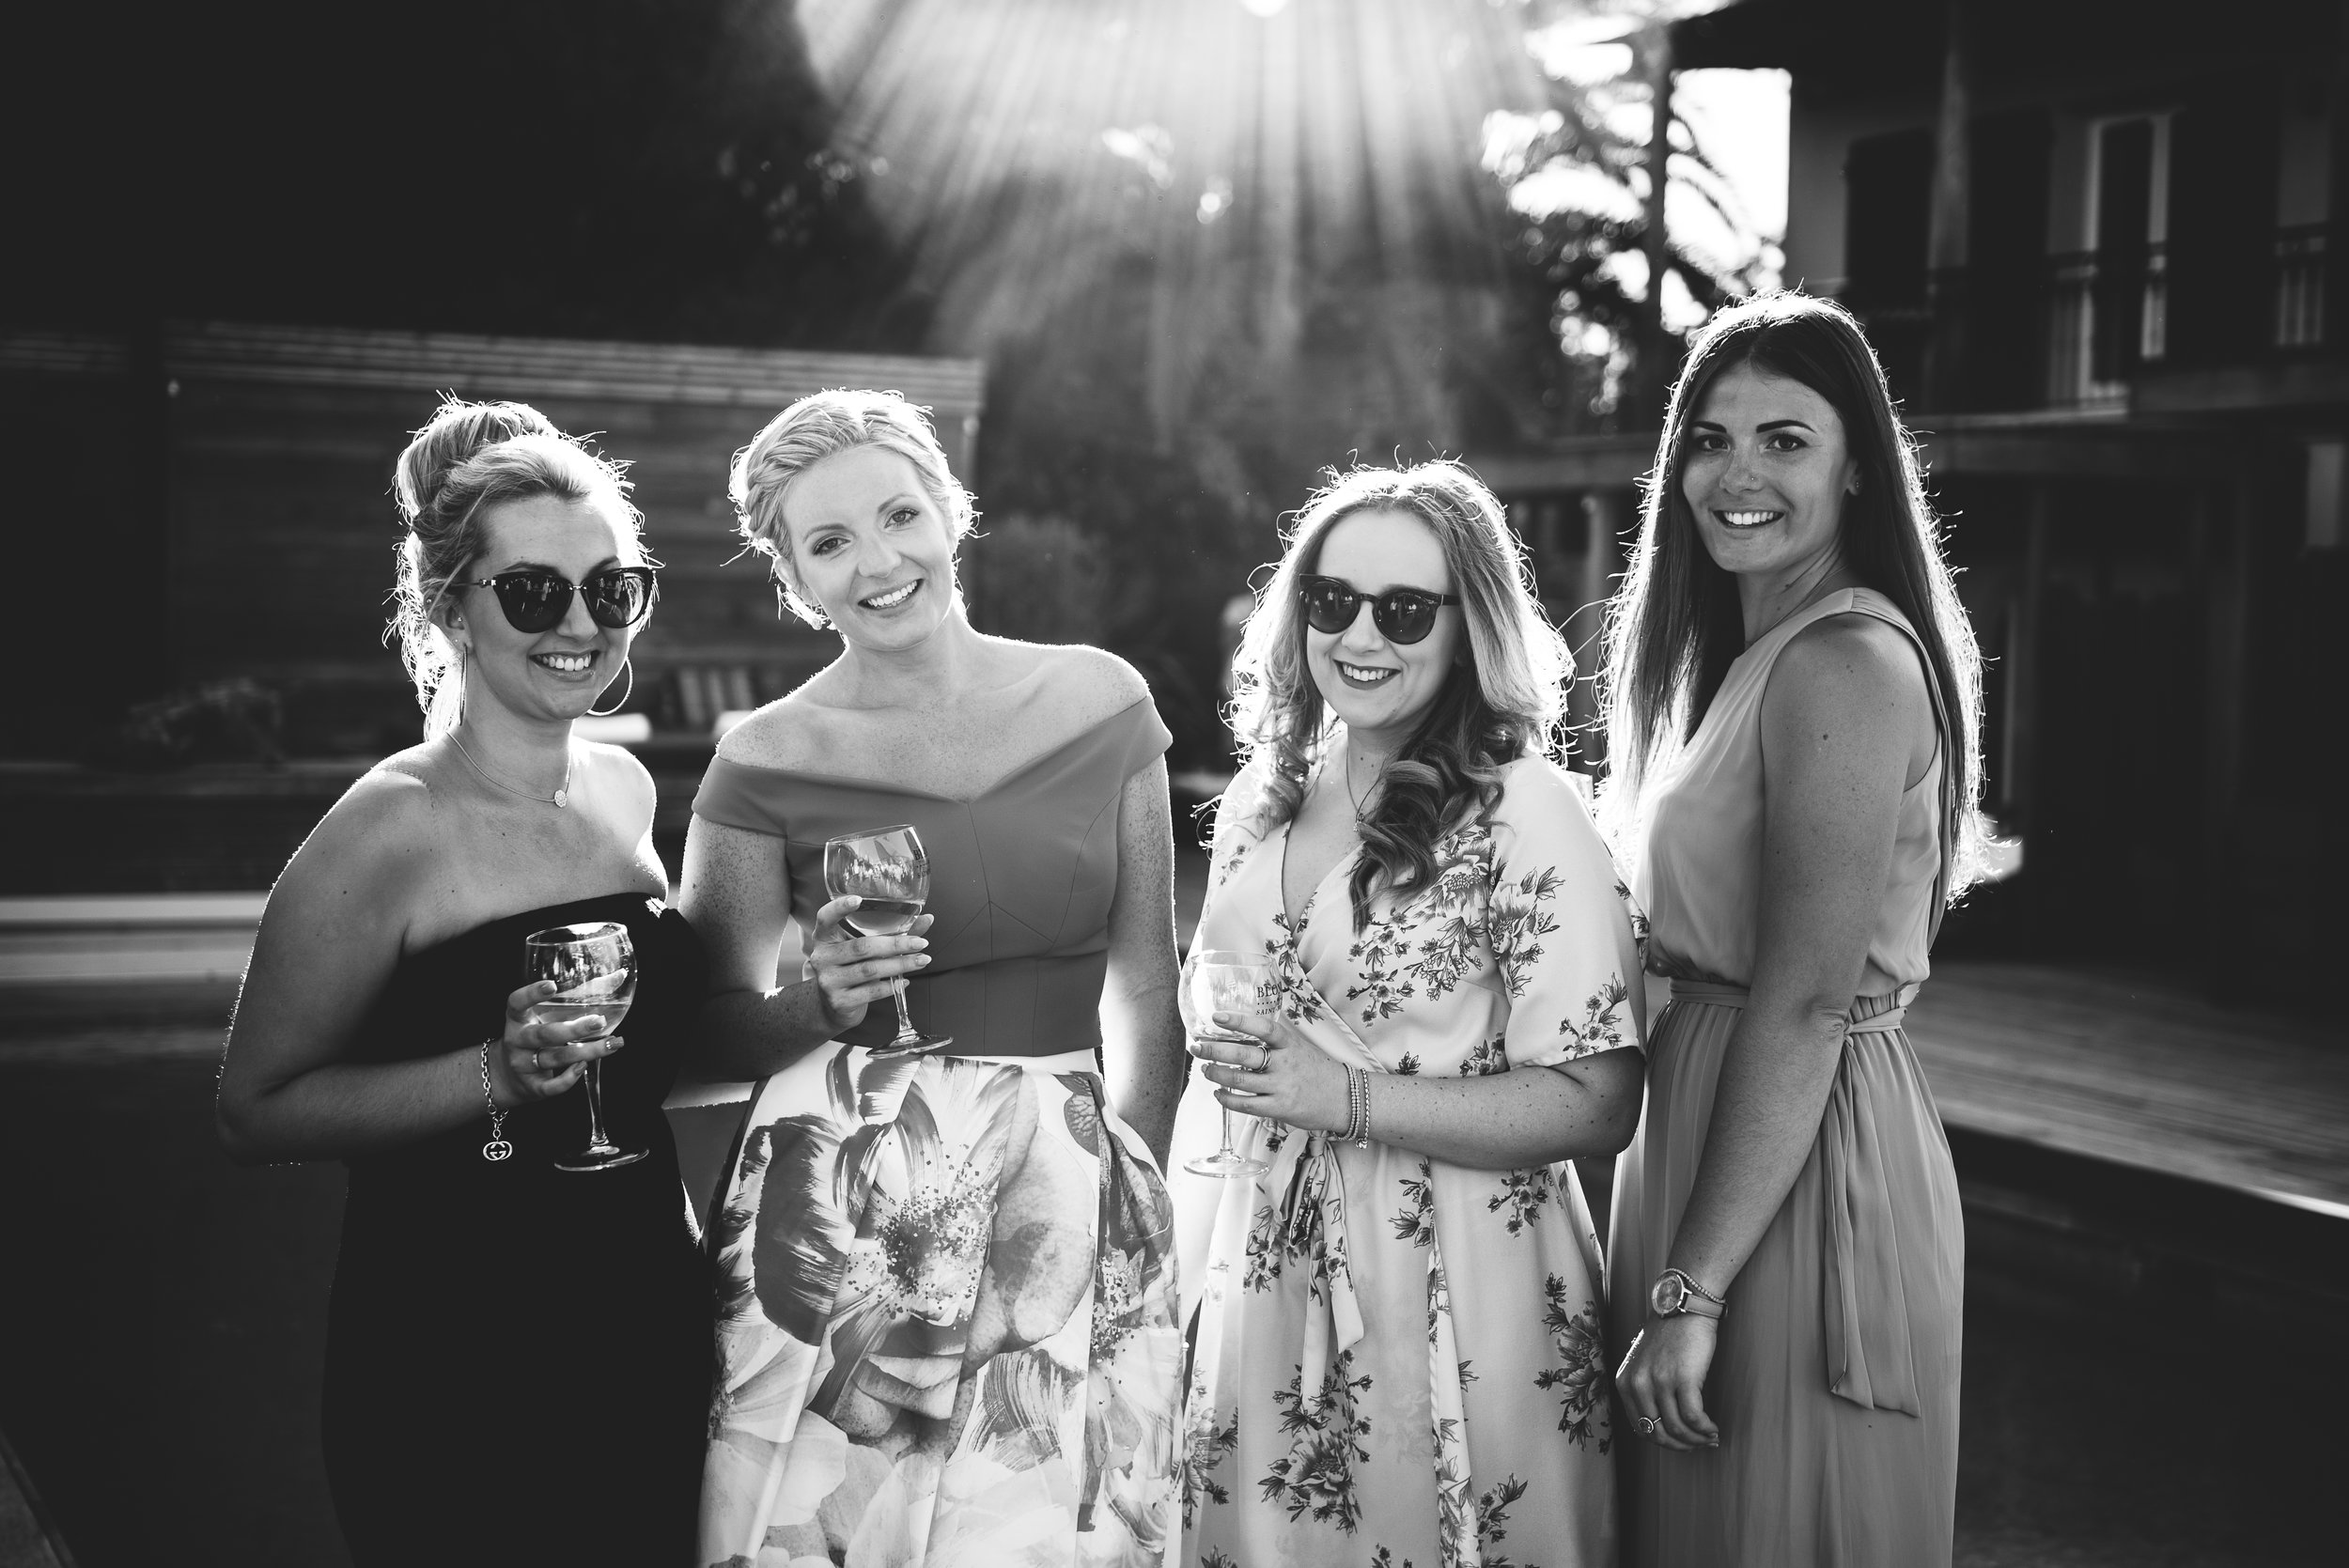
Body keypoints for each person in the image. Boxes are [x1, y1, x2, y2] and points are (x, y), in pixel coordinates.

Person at [685, 389, 1189, 1568]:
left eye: (899, 513)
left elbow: (1148, 989)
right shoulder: (761, 759)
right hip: (851, 1210)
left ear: (952, 512)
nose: (878, 562)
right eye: (828, 543)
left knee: (1048, 1534)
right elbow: (705, 1031)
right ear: (794, 579)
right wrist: (821, 1002)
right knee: (836, 1536)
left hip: (1061, 1197)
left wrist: (1136, 1182)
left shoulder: (1100, 699)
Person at [214, 398, 711, 1564]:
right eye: (534, 591)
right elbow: (253, 1107)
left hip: (642, 1326)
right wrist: (494, 1072)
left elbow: (650, 1065)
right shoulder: (391, 828)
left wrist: (821, 1007)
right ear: (453, 610)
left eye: (611, 587)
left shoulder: (626, 793)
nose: (580, 622)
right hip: (456, 1355)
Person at [1170, 462, 1648, 1568]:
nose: (1361, 636)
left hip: (1456, 1278)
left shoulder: (1523, 811)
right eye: (1332, 602)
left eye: (1404, 609)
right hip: (1268, 1272)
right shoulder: (1267, 792)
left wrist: (1342, 1094)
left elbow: (1599, 1098)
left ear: (1466, 624)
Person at [1599, 291, 1983, 1566]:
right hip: (1709, 1121)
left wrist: (1692, 1287)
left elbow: (1812, 997)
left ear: (1858, 463)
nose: (1737, 473)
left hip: (1795, 1157)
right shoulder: (1744, 658)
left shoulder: (1842, 665)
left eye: (1785, 439)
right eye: (1709, 439)